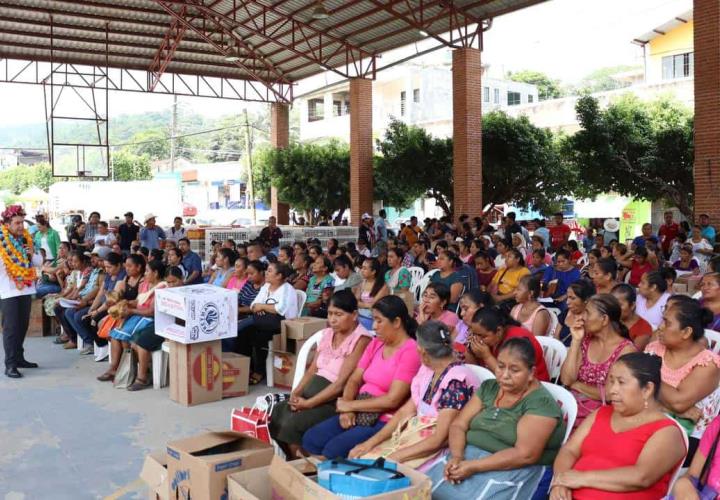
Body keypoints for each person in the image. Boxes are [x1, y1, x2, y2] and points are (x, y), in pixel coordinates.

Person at [426, 337, 566, 499]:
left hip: (513, 468)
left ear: (531, 373)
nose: (504, 375)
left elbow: (525, 454)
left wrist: (473, 467)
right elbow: (459, 425)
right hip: (467, 456)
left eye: (514, 370)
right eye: (500, 366)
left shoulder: (541, 404)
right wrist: (457, 456)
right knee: (424, 490)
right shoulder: (489, 387)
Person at [551, 352, 686, 500]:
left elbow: (642, 477)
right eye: (611, 381)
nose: (612, 390)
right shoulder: (601, 413)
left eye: (621, 382)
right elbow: (570, 450)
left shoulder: (667, 432)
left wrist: (582, 478)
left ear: (647, 389)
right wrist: (560, 482)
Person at [349, 320, 480, 470]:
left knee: (379, 471)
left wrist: (395, 457)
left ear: (422, 351)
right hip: (415, 436)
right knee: (361, 458)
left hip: (435, 448)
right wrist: (369, 444)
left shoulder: (457, 382)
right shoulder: (428, 369)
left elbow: (439, 439)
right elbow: (405, 412)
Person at [302, 296, 422, 459]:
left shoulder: (410, 351)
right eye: (373, 320)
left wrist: (350, 406)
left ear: (396, 322)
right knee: (311, 439)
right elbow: (354, 379)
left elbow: (392, 400)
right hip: (358, 406)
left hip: (383, 417)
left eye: (379, 321)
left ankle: (325, 477)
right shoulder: (376, 343)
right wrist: (347, 409)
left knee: (333, 450)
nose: (374, 326)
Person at [270, 291, 372, 458]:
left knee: (292, 423)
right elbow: (312, 369)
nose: (332, 319)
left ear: (354, 315)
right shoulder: (328, 334)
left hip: (332, 400)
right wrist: (296, 392)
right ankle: (291, 457)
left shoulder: (361, 339)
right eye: (330, 314)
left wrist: (308, 404)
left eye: (339, 314)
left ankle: (299, 464)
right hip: (311, 394)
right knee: (278, 411)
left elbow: (340, 383)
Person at [645, 299, 720, 444]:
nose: (660, 327)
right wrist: (673, 409)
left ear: (686, 332)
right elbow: (636, 387)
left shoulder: (707, 364)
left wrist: (646, 373)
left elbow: (678, 403)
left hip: (685, 439)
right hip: (649, 419)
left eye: (667, 323)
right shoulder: (654, 348)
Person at [560, 294, 636, 428]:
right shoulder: (585, 340)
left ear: (604, 319)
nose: (582, 317)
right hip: (572, 405)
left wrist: (575, 385)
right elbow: (566, 379)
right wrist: (576, 341)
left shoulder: (625, 350)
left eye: (587, 313)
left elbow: (609, 394)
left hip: (602, 414)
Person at [0, 205, 43, 378]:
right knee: (11, 328)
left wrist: (31, 253)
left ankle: (19, 358)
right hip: (8, 291)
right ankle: (10, 364)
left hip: (26, 289)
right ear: (7, 224)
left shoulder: (27, 240)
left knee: (23, 326)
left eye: (22, 223)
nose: (20, 226)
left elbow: (39, 262)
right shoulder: (2, 241)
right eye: (17, 223)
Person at [239, 262, 298, 384]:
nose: (266, 272)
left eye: (270, 271)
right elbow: (253, 305)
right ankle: (247, 369)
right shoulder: (266, 286)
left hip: (283, 325)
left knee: (259, 334)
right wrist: (262, 307)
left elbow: (280, 309)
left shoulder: (287, 289)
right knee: (243, 333)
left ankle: (260, 372)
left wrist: (262, 307)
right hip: (264, 322)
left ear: (279, 275)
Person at [96, 254, 147, 382]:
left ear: (139, 267)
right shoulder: (125, 279)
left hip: (135, 314)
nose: (127, 269)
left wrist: (124, 303)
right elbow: (116, 297)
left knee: (122, 338)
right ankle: (114, 368)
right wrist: (112, 298)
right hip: (124, 313)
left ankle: (128, 369)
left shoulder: (143, 281)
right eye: (126, 266)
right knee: (113, 335)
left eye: (130, 266)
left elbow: (139, 302)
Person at [464, 306, 550, 381]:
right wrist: (469, 351)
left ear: (498, 331)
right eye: (474, 334)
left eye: (482, 336)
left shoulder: (518, 339)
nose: (478, 340)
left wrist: (487, 356)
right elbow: (476, 372)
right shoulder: (490, 341)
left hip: (530, 388)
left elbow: (509, 377)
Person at [69, 251, 126, 358]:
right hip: (104, 305)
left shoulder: (122, 276)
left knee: (93, 319)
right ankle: (100, 345)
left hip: (113, 307)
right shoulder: (109, 276)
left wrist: (97, 311)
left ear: (118, 265)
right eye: (106, 267)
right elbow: (100, 294)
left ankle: (103, 346)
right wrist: (92, 308)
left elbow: (111, 300)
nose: (107, 270)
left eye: (109, 267)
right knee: (85, 317)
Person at [612, 283, 653, 351]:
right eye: (612, 303)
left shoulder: (643, 328)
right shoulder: (608, 320)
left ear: (632, 305)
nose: (615, 308)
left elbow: (632, 354)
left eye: (620, 305)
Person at [555, 279, 596, 345]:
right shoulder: (565, 313)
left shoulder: (592, 320)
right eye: (568, 297)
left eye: (572, 298)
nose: (567, 302)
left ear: (586, 300)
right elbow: (556, 339)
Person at [355, 257, 389, 330]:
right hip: (361, 315)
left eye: (365, 268)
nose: (362, 270)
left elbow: (374, 305)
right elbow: (355, 301)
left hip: (373, 318)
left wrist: (362, 304)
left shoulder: (383, 286)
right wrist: (367, 305)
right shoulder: (362, 283)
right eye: (362, 268)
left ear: (373, 271)